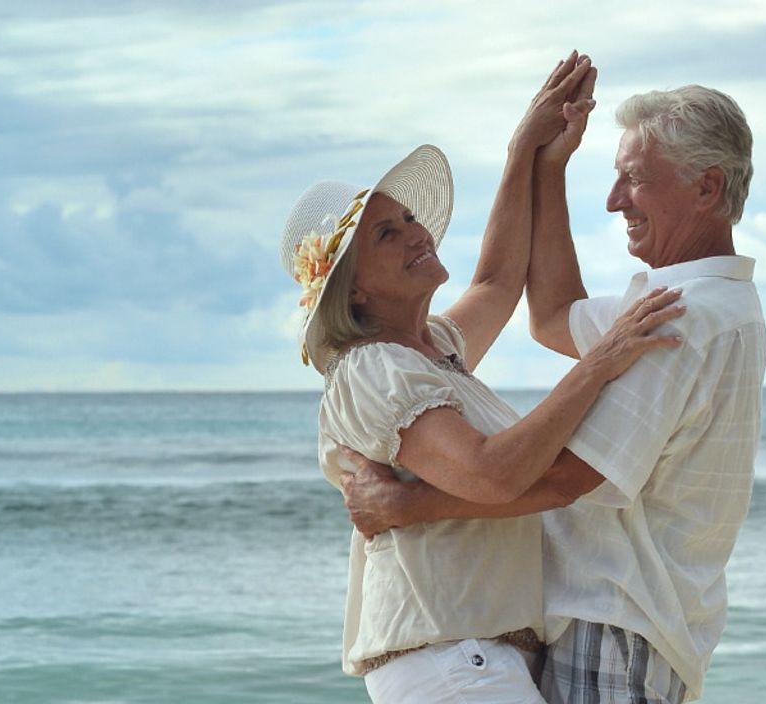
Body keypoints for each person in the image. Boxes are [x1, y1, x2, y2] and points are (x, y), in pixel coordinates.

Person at [339, 81, 766, 704]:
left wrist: (406, 507)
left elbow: (566, 479)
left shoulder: (679, 316)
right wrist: (545, 163)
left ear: (707, 188)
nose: (616, 200)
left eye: (635, 179)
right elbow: (552, 313)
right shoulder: (705, 304)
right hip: (639, 623)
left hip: (614, 619)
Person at [282, 53, 687, 702]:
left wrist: (527, 152)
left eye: (408, 218)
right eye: (388, 234)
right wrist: (601, 362)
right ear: (355, 293)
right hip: (452, 661)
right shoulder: (375, 370)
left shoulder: (431, 350)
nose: (417, 234)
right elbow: (496, 474)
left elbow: (499, 281)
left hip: (471, 660)